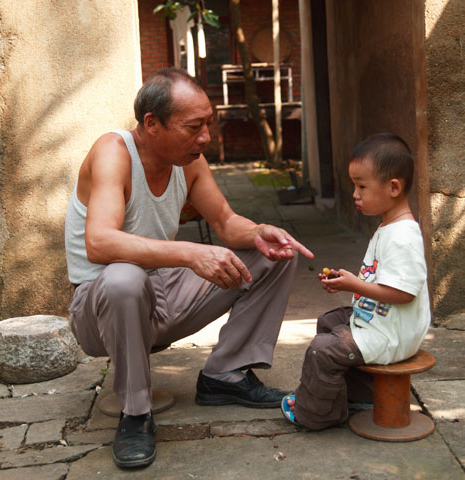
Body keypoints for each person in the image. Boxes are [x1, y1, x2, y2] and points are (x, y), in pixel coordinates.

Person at [64, 68, 313, 468]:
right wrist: (189, 253)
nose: (206, 138)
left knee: (274, 252)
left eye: (208, 124)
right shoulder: (112, 152)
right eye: (193, 126)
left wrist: (259, 231)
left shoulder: (189, 162)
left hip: (162, 295)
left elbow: (226, 223)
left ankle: (226, 377)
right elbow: (100, 243)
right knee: (124, 277)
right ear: (151, 124)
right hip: (101, 310)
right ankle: (135, 412)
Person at [281, 133, 430, 430]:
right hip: (379, 322)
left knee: (321, 350)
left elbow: (403, 293)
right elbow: (380, 277)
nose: (355, 194)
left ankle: (318, 414)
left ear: (394, 187)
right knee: (328, 321)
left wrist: (354, 285)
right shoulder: (389, 227)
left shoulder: (402, 236)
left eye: (362, 186)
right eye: (354, 185)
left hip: (392, 336)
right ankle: (359, 397)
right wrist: (347, 281)